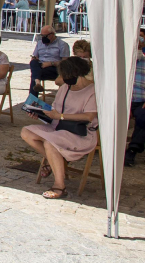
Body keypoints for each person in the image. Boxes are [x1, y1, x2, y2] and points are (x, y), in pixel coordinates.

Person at [20, 57, 97, 199]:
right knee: (26, 132)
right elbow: (55, 110)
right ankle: (54, 161)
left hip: (80, 133)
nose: (62, 79)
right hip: (58, 127)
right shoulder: (64, 88)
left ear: (76, 73)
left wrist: (60, 116)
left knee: (51, 144)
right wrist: (41, 114)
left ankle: (60, 186)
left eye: (64, 75)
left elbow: (89, 117)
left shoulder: (92, 91)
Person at [29, 26, 70, 94]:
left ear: (52, 34)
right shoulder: (40, 43)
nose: (43, 38)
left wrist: (51, 63)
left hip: (55, 68)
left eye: (45, 36)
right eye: (42, 35)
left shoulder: (62, 44)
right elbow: (34, 56)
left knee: (35, 75)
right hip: (40, 66)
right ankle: (37, 83)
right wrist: (35, 59)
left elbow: (65, 62)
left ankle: (32, 100)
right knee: (33, 63)